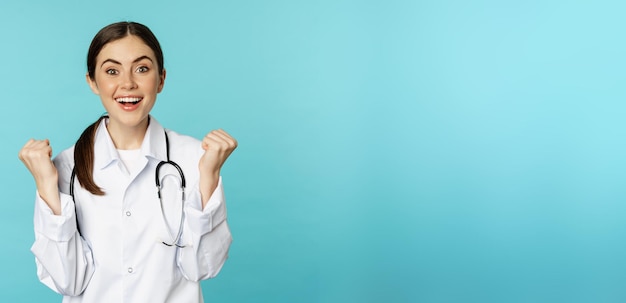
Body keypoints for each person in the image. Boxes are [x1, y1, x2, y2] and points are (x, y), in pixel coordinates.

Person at [17, 21, 237, 302]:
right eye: (112, 71)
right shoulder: (65, 167)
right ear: (92, 82)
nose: (128, 83)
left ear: (161, 79)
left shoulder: (196, 159)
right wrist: (47, 186)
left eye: (142, 68)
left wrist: (209, 176)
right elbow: (68, 281)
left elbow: (203, 267)